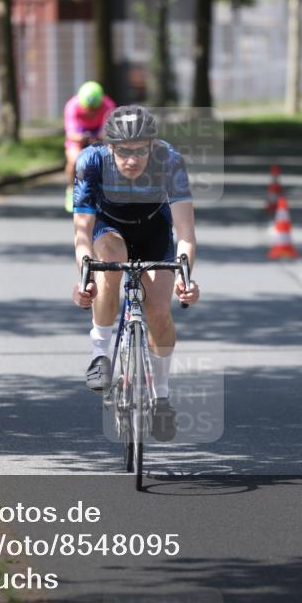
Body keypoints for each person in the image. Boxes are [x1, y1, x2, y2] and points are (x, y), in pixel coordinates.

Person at [70, 105, 200, 442]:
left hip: (155, 230)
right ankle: (100, 354)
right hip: (109, 229)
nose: (132, 159)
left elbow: (185, 231)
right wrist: (84, 278)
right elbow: (82, 234)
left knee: (158, 311)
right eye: (124, 151)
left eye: (140, 150)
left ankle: (161, 397)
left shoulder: (169, 160)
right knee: (111, 260)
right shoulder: (91, 161)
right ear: (109, 147)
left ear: (153, 146)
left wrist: (186, 278)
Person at [64, 81, 116, 212]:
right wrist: (85, 138)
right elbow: (71, 134)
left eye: (94, 109)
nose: (90, 112)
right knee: (74, 160)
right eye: (88, 109)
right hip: (79, 135)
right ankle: (71, 189)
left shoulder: (108, 105)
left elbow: (109, 132)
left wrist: (100, 137)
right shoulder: (72, 106)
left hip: (99, 133)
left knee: (112, 156)